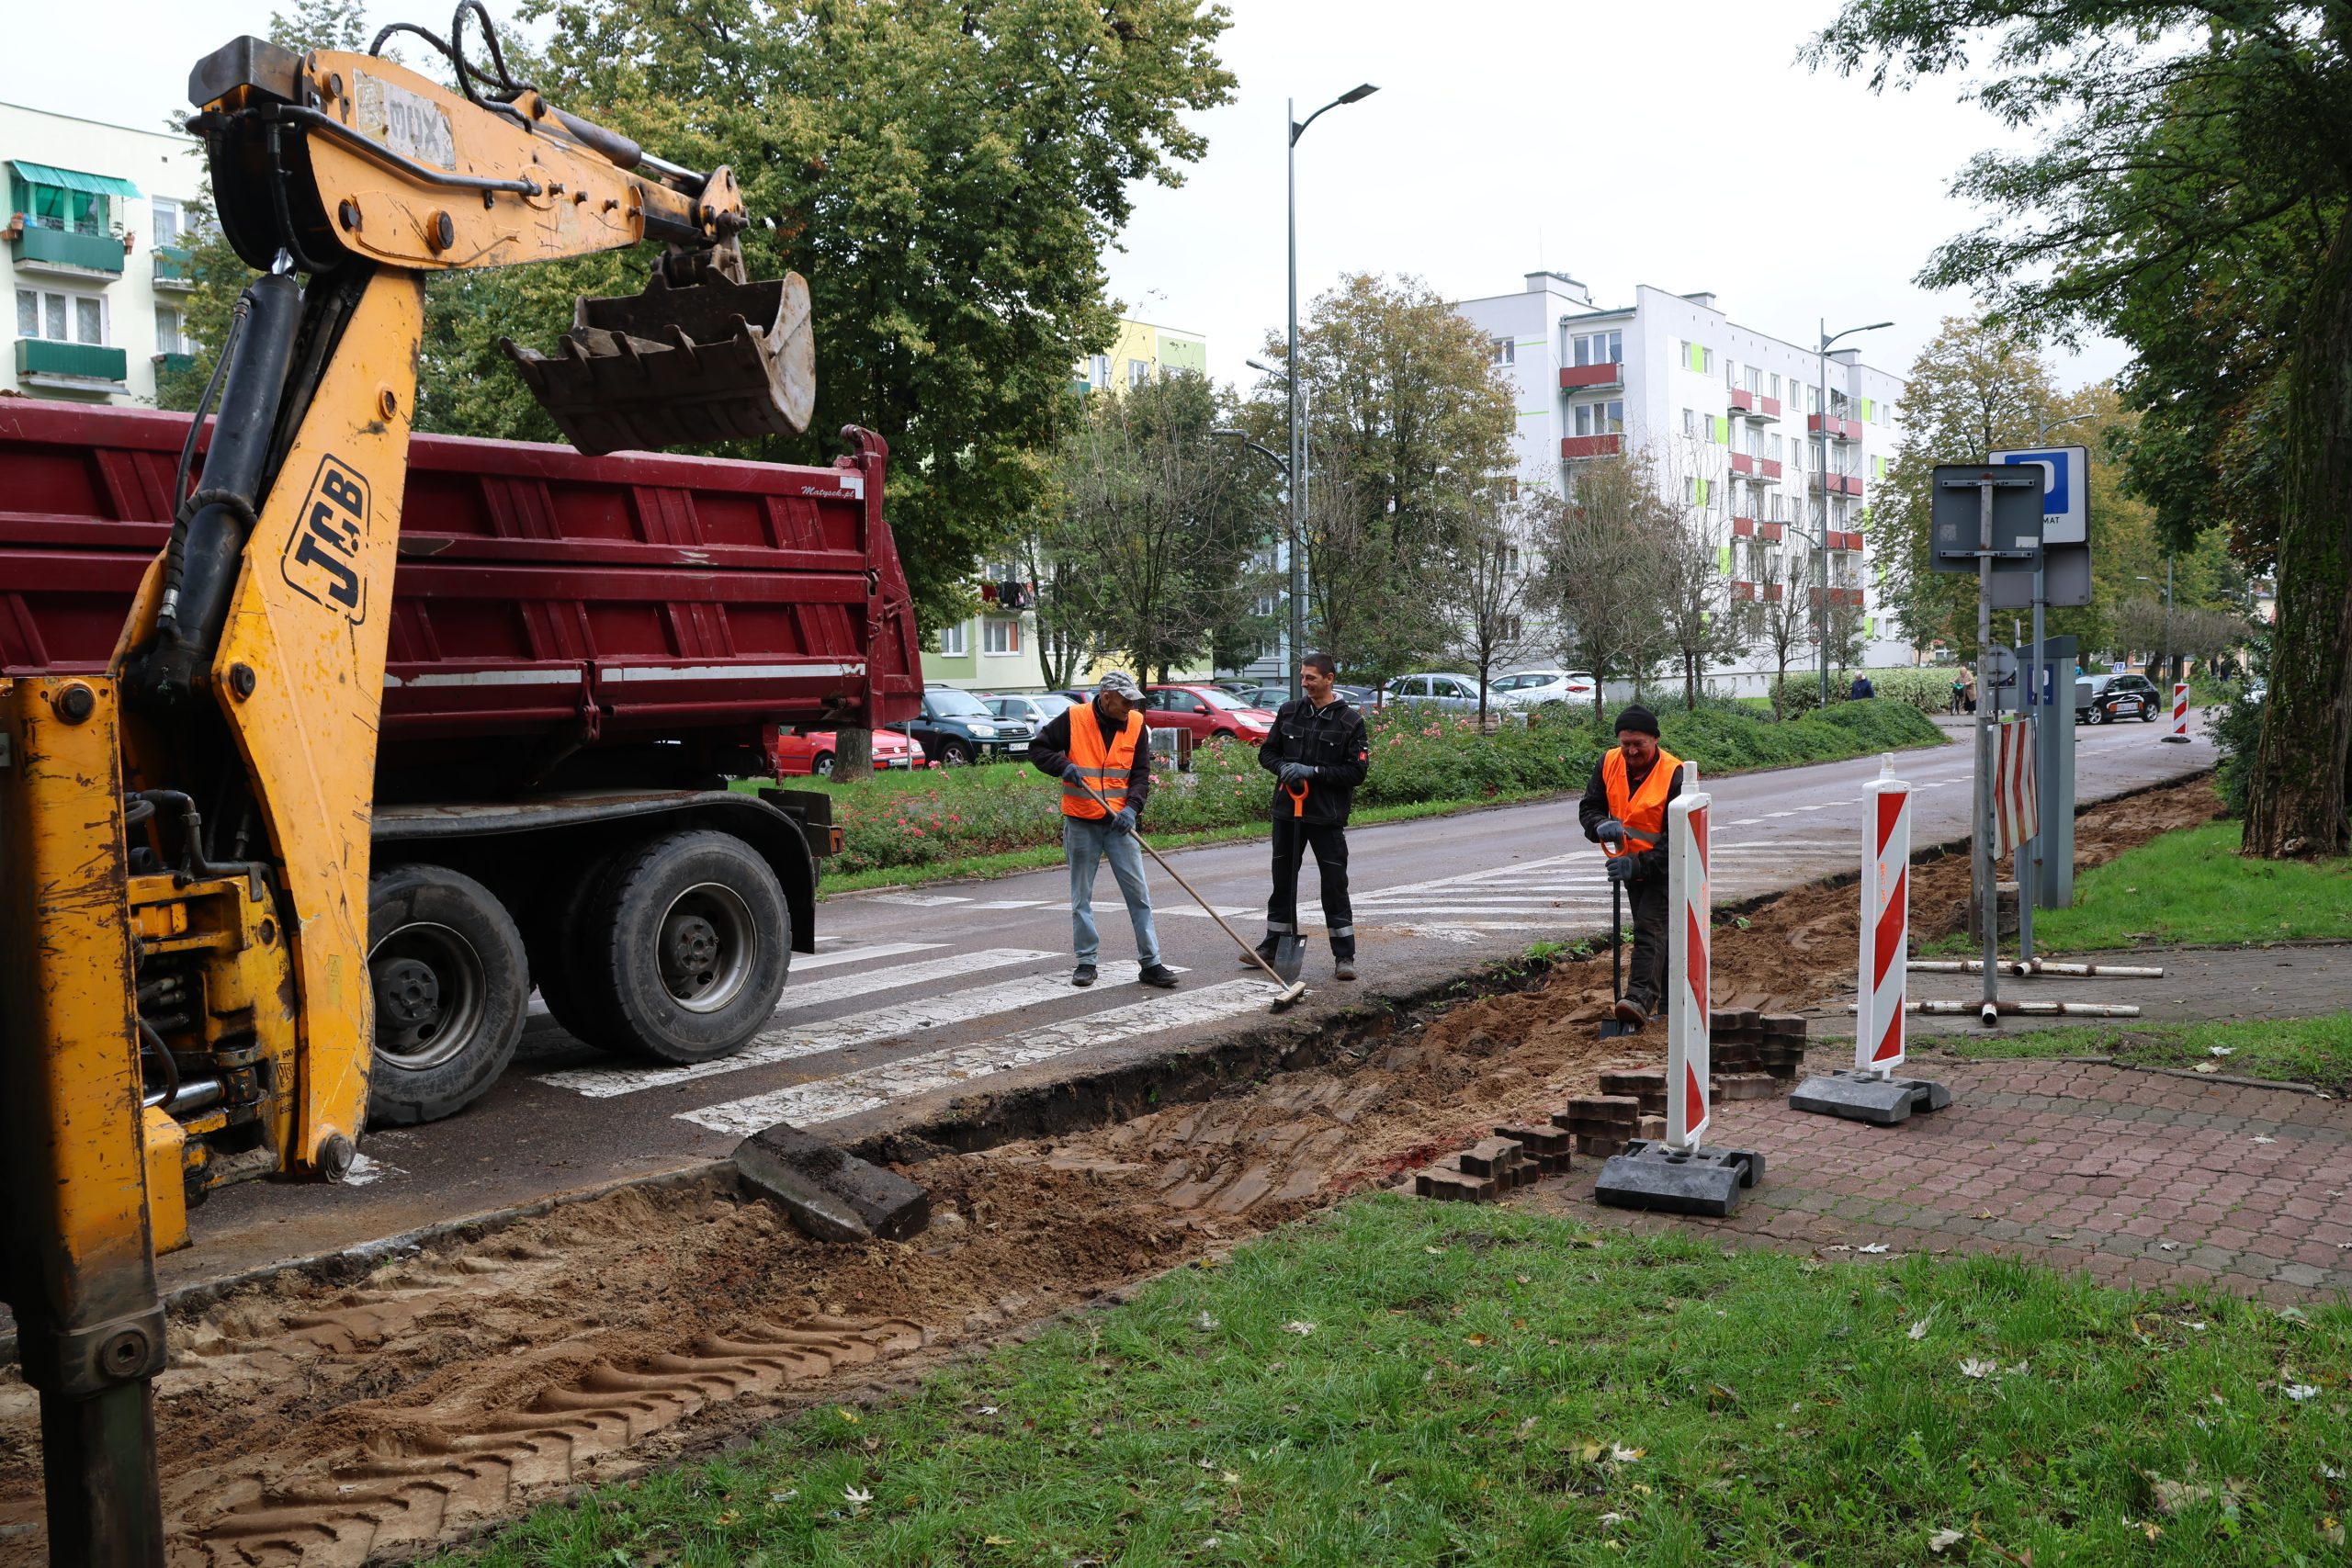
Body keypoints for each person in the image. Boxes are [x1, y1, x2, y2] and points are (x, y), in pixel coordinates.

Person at [1030, 671, 1180, 990]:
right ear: (1106, 696)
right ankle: (1086, 962)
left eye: (1133, 702)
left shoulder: (1136, 724)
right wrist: (1062, 766)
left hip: (1120, 825)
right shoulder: (1074, 718)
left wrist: (1132, 808)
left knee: (1139, 895)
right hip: (1081, 821)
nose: (1130, 707)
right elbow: (1038, 749)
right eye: (1125, 701)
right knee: (1081, 896)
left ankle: (1151, 963)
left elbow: (1140, 773)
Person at [1250, 651, 1371, 980]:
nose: (1304, 683)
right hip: (1287, 812)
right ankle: (1273, 945)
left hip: (1326, 817)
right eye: (1302, 677)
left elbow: (1356, 772)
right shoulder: (1290, 712)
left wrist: (1313, 772)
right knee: (1283, 881)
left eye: (1311, 678)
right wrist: (1283, 768)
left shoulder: (1350, 721)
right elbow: (1267, 752)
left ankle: (1344, 956)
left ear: (1329, 679)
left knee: (1334, 885)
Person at [1577, 704, 1683, 1030]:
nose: (1632, 751)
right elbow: (1589, 807)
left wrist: (1638, 866)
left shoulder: (1673, 774)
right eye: (1626, 744)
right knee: (1660, 934)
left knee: (1649, 929)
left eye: (1639, 744)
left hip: (1665, 867)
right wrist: (1599, 825)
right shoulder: (1608, 762)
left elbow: (1677, 838)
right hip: (1629, 866)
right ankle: (1670, 1005)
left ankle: (1638, 1000)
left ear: (1655, 739)